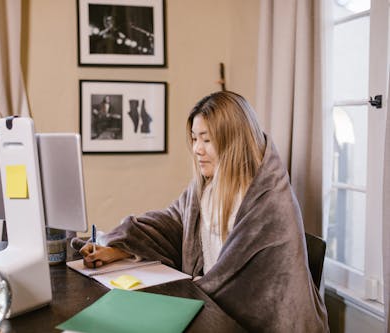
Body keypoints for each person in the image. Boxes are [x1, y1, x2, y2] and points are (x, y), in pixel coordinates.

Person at [75, 91, 329, 332]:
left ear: (233, 141)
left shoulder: (270, 204)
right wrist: (120, 246)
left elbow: (244, 288)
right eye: (195, 139)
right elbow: (173, 222)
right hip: (210, 307)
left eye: (206, 140)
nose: (197, 148)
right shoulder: (208, 186)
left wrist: (181, 296)